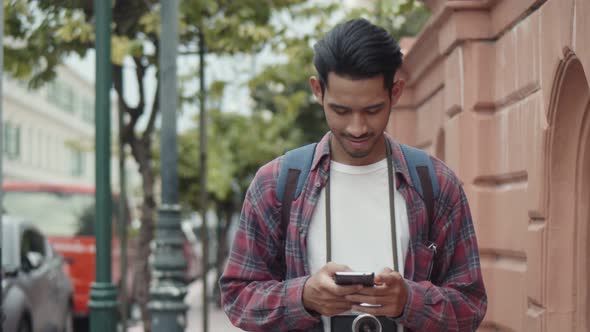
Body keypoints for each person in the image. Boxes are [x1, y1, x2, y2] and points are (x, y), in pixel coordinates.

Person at [219, 18, 487, 332]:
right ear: (317, 90)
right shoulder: (276, 184)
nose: (357, 127)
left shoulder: (436, 184)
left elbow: (471, 307)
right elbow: (238, 298)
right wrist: (304, 297)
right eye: (341, 110)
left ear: (396, 92)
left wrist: (410, 302)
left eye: (372, 110)